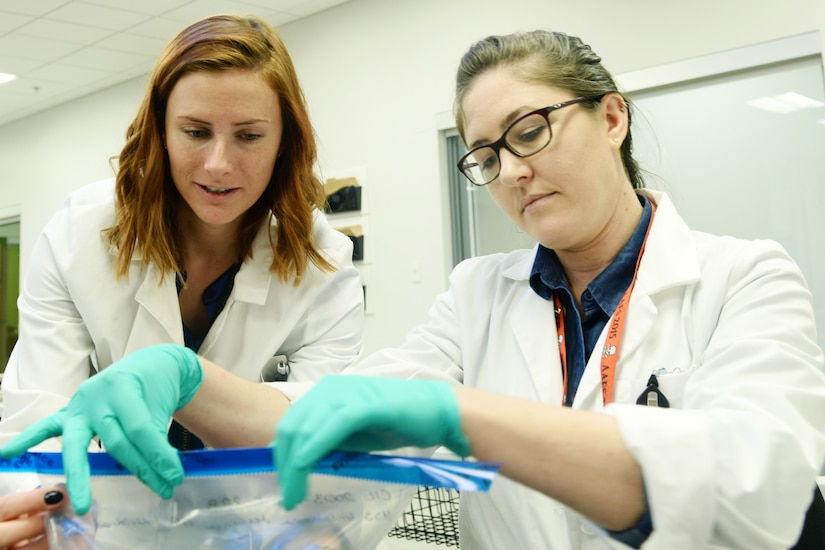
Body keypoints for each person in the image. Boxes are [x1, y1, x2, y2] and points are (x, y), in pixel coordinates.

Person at [4, 27, 825, 550]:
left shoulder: (742, 275)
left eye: (531, 129)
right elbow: (325, 411)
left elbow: (764, 487)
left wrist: (461, 416)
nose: (514, 169)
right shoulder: (476, 293)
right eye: (486, 154)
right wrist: (184, 377)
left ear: (612, 118)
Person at [0, 12, 364, 547]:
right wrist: (53, 518)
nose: (218, 164)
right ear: (161, 131)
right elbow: (41, 419)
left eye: (248, 136)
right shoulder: (81, 235)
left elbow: (322, 432)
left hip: (251, 528)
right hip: (99, 525)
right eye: (195, 132)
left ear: (285, 141)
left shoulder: (323, 261)